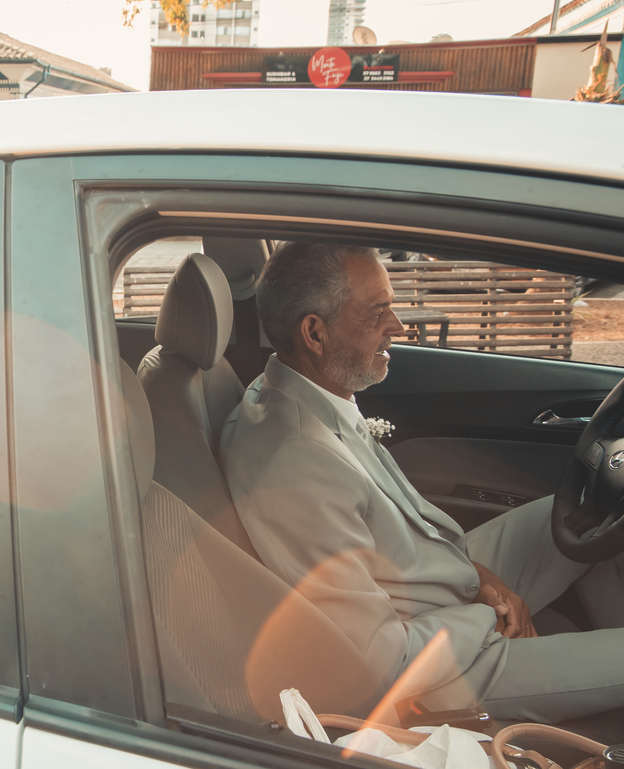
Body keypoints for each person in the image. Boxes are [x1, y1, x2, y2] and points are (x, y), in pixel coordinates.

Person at [220, 242, 624, 724]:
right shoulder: (296, 464)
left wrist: (480, 577)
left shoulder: (294, 392)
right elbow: (380, 660)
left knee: (594, 515)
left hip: (439, 589)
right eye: (378, 311)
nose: (397, 326)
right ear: (314, 333)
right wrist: (489, 611)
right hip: (446, 670)